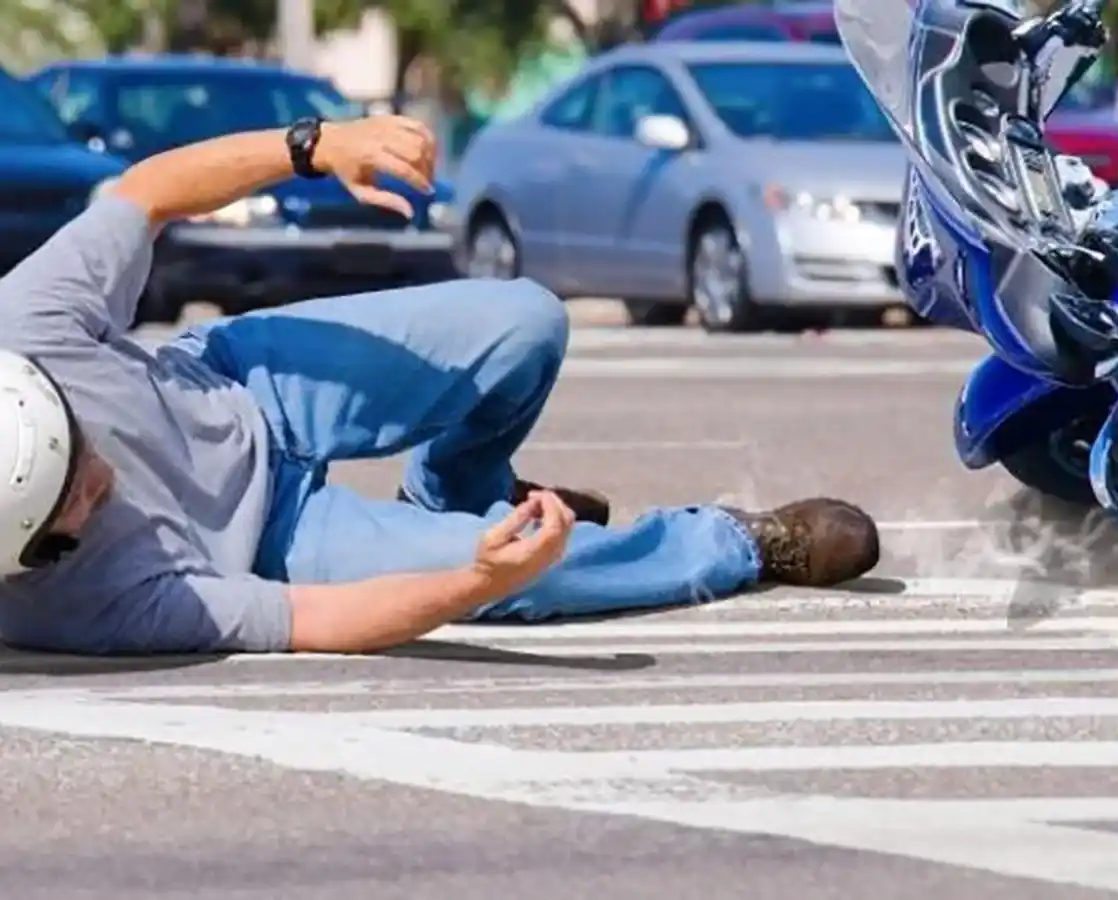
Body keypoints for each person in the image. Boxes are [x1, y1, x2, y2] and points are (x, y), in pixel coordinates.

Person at [0, 114, 880, 656]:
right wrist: (475, 581)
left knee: (525, 320)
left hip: (241, 383)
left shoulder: (23, 325)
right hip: (275, 540)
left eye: (75, 456)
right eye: (66, 521)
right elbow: (316, 621)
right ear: (26, 559)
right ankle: (740, 543)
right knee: (533, 573)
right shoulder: (77, 609)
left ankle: (458, 491)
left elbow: (144, 193)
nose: (94, 490)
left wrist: (317, 145)